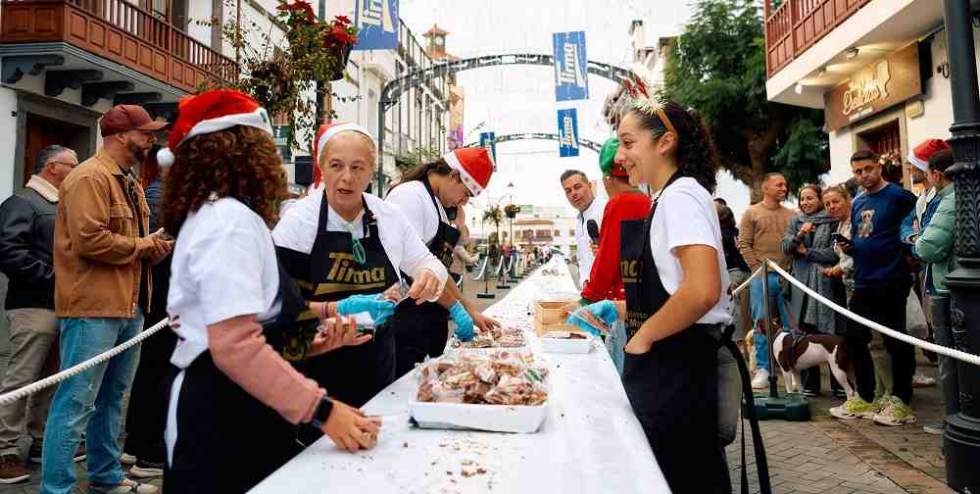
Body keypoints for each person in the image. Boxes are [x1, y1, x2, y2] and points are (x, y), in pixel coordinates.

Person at [160, 91, 416, 493]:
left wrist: (314, 342)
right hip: (222, 412)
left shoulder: (228, 216)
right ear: (244, 151)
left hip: (253, 404)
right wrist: (323, 411)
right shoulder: (228, 221)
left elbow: (258, 325)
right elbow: (235, 346)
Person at [570, 99, 732, 492]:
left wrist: (644, 336)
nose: (620, 157)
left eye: (628, 143)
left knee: (685, 476)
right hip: (671, 361)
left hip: (680, 366)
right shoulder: (665, 198)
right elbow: (673, 290)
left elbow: (701, 289)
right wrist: (621, 309)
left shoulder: (680, 197)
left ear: (665, 142)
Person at [272, 122, 449, 409]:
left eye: (357, 168)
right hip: (315, 368)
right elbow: (275, 303)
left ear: (371, 171)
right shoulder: (298, 222)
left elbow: (427, 263)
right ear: (321, 167)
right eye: (336, 165)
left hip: (378, 365)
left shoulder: (388, 217)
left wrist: (431, 275)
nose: (347, 178)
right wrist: (335, 309)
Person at [42, 105, 169, 494]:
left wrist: (152, 247)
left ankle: (106, 476)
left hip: (126, 305)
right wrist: (145, 245)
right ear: (119, 136)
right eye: (145, 133)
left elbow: (123, 243)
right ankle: (56, 488)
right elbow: (89, 240)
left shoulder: (126, 180)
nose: (152, 139)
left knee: (112, 401)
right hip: (93, 308)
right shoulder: (89, 178)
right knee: (77, 403)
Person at [0, 145, 78, 484]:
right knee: (21, 378)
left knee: (52, 377)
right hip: (33, 304)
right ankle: (4, 449)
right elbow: (7, 250)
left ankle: (39, 441)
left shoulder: (58, 204)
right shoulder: (22, 203)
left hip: (61, 303)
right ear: (51, 168)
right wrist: (53, 277)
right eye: (71, 164)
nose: (77, 169)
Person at [385, 148, 500, 377]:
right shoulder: (410, 197)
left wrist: (469, 309)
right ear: (454, 175)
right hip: (406, 318)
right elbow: (415, 271)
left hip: (427, 317)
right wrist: (454, 307)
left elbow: (438, 269)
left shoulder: (436, 205)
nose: (464, 202)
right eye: (466, 194)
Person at [830, 149, 917, 426]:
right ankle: (865, 397)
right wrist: (851, 247)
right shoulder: (858, 202)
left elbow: (914, 228)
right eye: (857, 171)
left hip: (891, 279)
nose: (863, 175)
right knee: (854, 337)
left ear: (879, 166)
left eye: (867, 169)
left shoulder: (899, 197)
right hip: (864, 279)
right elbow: (863, 238)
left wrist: (909, 256)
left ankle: (901, 401)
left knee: (896, 341)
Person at [121, 146, 176, 478]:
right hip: (161, 299)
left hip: (159, 298)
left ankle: (135, 445)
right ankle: (147, 450)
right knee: (155, 372)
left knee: (149, 373)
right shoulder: (161, 197)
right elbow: (153, 248)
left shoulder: (160, 195)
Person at [576, 138, 650, 373]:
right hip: (641, 304)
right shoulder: (645, 201)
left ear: (607, 178)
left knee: (619, 380)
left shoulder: (620, 203)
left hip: (623, 307)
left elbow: (608, 260)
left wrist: (587, 299)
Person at [780, 184, 843, 396]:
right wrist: (800, 234)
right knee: (804, 333)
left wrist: (807, 252)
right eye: (802, 199)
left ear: (819, 199)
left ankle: (839, 384)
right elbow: (786, 247)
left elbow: (834, 255)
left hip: (828, 285)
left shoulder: (833, 219)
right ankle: (810, 385)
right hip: (801, 286)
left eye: (810, 198)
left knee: (830, 332)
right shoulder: (796, 221)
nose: (806, 202)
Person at [912, 149, 957, 434]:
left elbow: (928, 247)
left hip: (948, 287)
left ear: (937, 174)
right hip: (955, 285)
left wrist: (916, 242)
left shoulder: (949, 199)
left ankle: (955, 418)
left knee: (951, 360)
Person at [738, 172, 795, 389]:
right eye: (778, 184)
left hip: (788, 278)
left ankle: (791, 367)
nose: (783, 188)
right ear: (766, 188)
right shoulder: (751, 213)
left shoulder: (791, 215)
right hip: (762, 276)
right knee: (762, 324)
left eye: (785, 184)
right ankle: (763, 368)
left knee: (791, 325)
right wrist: (756, 269)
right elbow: (744, 244)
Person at [717, 202, 751, 358]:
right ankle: (749, 344)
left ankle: (738, 344)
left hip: (732, 273)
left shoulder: (719, 235)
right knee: (749, 310)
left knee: (734, 309)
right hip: (748, 272)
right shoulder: (737, 232)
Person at [561, 169, 606, 287]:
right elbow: (582, 259)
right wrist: (585, 281)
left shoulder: (605, 210)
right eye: (568, 191)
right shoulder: (579, 221)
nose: (573, 194)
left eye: (577, 187)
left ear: (589, 186)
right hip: (592, 291)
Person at [450, 205, 479, 288]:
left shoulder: (454, 246)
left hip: (452, 271)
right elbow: (469, 260)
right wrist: (477, 256)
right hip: (456, 272)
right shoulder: (458, 247)